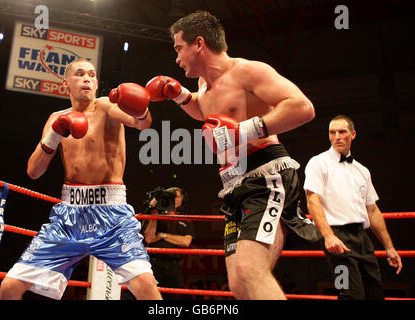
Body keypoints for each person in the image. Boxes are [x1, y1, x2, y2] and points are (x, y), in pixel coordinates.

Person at [144, 11, 321, 300]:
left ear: (198, 43)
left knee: (252, 272)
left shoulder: (248, 71)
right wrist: (180, 97)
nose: (177, 58)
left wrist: (246, 130)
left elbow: (303, 107)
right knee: (239, 285)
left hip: (265, 173)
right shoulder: (203, 85)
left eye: (179, 48)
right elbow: (206, 112)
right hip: (233, 184)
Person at [0, 58, 162, 300]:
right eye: (80, 74)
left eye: (92, 75)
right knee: (9, 287)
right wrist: (54, 135)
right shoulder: (56, 117)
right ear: (66, 83)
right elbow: (34, 171)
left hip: (112, 216)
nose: (87, 78)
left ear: (96, 83)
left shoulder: (107, 106)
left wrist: (143, 108)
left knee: (147, 288)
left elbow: (143, 124)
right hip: (68, 217)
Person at [303, 114, 403, 300]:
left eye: (342, 132)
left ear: (353, 134)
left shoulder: (362, 170)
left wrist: (389, 247)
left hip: (362, 239)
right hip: (337, 239)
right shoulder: (318, 163)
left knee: (375, 294)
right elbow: (312, 200)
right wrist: (328, 236)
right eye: (332, 133)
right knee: (349, 294)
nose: (337, 137)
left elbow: (372, 210)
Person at [142, 187, 194, 299]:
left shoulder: (185, 219)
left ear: (182, 199)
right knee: (152, 295)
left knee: (174, 297)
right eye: (170, 196)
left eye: (176, 196)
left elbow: (186, 242)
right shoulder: (155, 215)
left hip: (174, 265)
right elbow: (149, 239)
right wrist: (154, 216)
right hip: (154, 263)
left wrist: (162, 236)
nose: (173, 199)